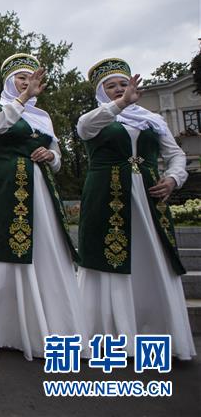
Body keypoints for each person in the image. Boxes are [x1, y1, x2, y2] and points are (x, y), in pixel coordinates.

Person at [76, 59, 196, 361]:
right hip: (107, 197)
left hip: (148, 198)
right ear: (102, 93)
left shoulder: (152, 120)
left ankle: (155, 332)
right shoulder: (95, 118)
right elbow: (85, 130)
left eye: (124, 84)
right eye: (111, 86)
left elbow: (176, 155)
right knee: (107, 258)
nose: (119, 89)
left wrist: (172, 179)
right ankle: (108, 336)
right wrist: (119, 105)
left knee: (153, 257)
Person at [0, 53, 82, 361]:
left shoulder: (43, 117)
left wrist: (51, 156)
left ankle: (46, 332)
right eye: (20, 78)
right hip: (8, 188)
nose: (27, 82)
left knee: (47, 253)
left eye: (31, 78)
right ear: (10, 82)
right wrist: (21, 98)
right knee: (4, 253)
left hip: (41, 191)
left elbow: (57, 156)